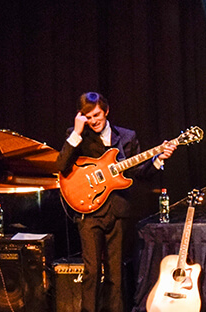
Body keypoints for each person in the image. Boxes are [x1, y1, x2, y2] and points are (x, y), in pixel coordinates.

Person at [56, 92, 177, 312]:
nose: (93, 121)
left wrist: (159, 158)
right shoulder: (78, 135)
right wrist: (76, 131)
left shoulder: (127, 136)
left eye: (96, 116)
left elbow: (139, 172)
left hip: (118, 210)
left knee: (116, 273)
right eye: (88, 117)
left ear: (106, 111)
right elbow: (61, 165)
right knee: (91, 272)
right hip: (88, 211)